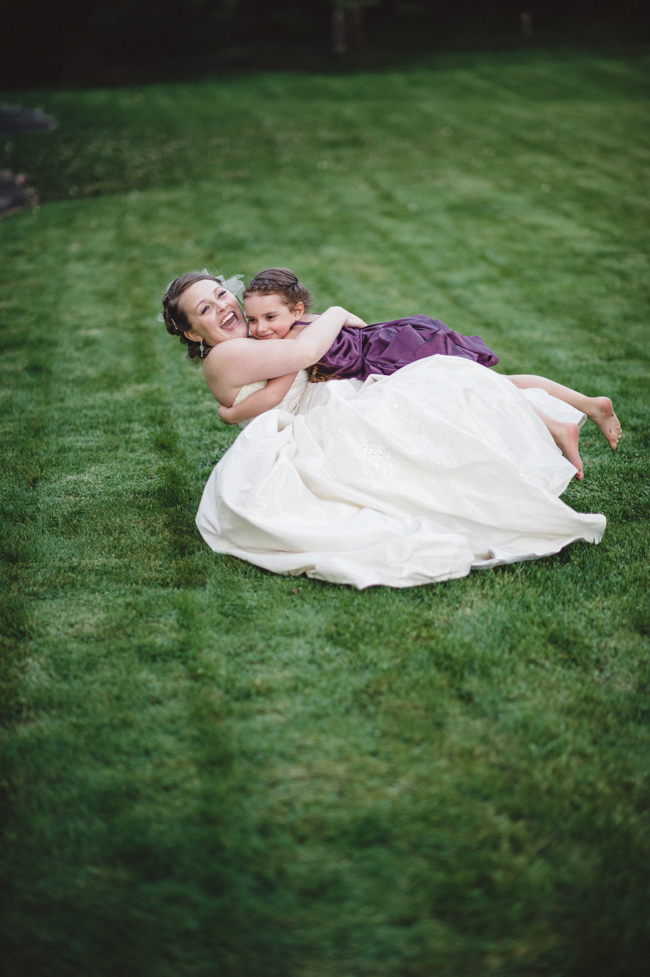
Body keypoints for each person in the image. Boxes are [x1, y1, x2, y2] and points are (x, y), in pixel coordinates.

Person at [178, 268, 619, 476]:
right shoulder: (231, 355)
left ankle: (572, 415)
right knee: (467, 381)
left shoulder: (257, 341)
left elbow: (296, 364)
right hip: (340, 387)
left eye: (220, 295)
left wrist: (230, 415)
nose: (223, 307)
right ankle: (576, 411)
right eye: (205, 308)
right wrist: (335, 312)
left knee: (463, 382)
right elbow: (297, 364)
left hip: (364, 367)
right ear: (192, 332)